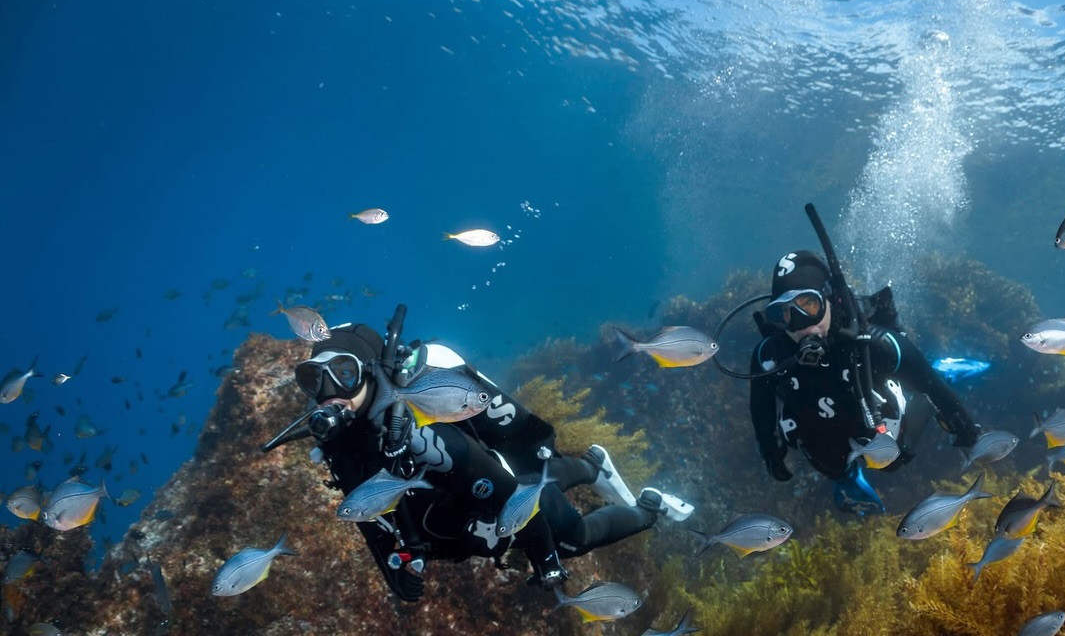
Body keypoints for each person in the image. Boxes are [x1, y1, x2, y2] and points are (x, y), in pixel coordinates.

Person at [283, 320, 692, 601]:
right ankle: (590, 464)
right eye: (312, 378)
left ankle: (648, 509)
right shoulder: (341, 443)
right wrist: (388, 569)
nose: (328, 390)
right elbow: (367, 511)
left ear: (372, 372)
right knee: (545, 479)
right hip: (473, 513)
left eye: (343, 372)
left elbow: (509, 495)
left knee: (572, 538)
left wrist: (546, 560)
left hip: (503, 487)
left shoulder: (427, 434)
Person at [749, 249, 980, 514]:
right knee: (832, 468)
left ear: (829, 299)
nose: (799, 323)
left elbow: (932, 386)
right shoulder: (769, 356)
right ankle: (850, 477)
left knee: (895, 458)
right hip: (821, 417)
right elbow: (761, 408)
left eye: (808, 305)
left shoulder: (877, 343)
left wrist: (959, 419)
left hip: (877, 409)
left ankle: (947, 371)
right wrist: (770, 449)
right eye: (784, 313)